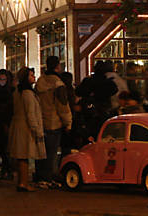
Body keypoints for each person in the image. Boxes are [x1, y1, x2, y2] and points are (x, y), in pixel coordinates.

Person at [34, 55, 71, 186]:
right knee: (52, 153)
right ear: (57, 67)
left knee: (40, 152)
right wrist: (68, 123)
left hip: (40, 122)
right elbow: (63, 106)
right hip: (54, 122)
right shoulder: (58, 84)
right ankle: (49, 177)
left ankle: (39, 176)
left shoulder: (39, 82)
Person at [9, 67, 45, 192]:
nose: (34, 77)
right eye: (31, 75)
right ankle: (23, 183)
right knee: (24, 156)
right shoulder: (28, 94)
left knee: (21, 157)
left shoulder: (18, 92)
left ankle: (21, 182)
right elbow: (31, 114)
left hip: (19, 126)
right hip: (26, 128)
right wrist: (37, 130)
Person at [75, 61, 118, 141]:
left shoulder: (88, 81)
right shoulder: (108, 82)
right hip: (104, 111)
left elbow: (78, 92)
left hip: (89, 111)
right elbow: (114, 90)